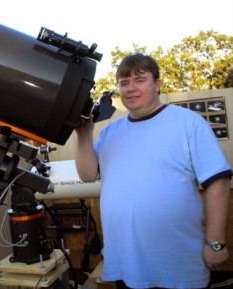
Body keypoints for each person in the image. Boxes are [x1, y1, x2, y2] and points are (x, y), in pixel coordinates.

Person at [75, 53, 232, 289]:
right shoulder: (110, 132)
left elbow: (218, 182)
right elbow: (88, 175)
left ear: (157, 84)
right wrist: (84, 135)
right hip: (129, 266)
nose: (131, 88)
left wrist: (216, 242)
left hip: (177, 265)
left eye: (139, 80)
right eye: (124, 83)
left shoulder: (188, 122)